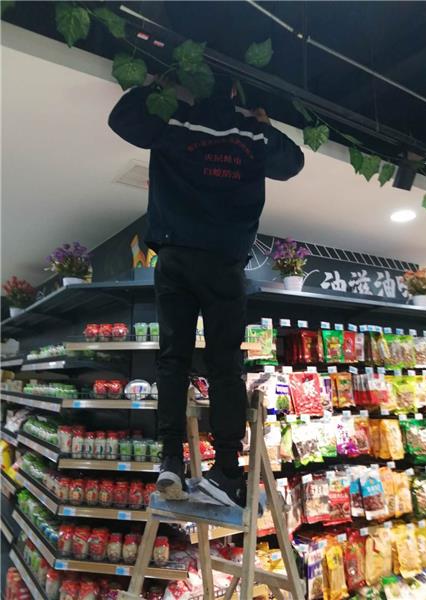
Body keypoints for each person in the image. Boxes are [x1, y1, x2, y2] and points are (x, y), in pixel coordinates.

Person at [108, 76, 304, 507]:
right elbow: (293, 163)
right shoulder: (252, 134)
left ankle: (170, 459)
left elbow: (121, 118)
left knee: (172, 359)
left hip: (175, 256)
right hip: (225, 262)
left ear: (192, 87)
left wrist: (155, 86)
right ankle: (227, 470)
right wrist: (265, 125)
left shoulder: (173, 119)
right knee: (225, 365)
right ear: (233, 92)